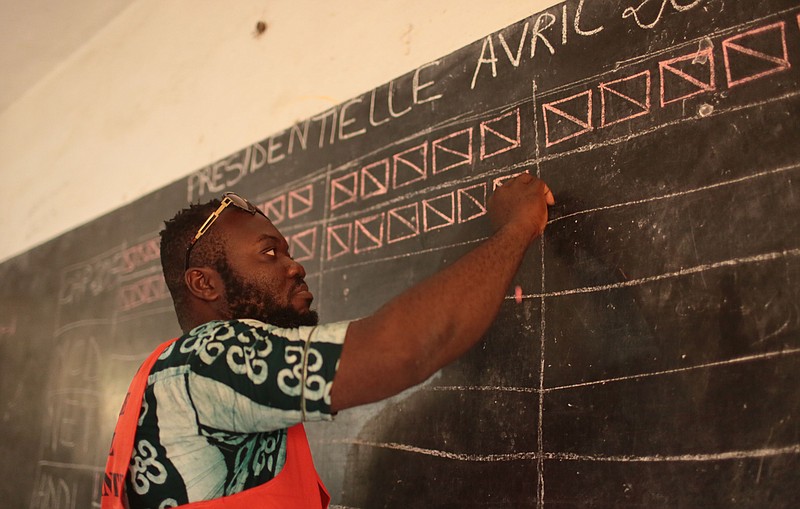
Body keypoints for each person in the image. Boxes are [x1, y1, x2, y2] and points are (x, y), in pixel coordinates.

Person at [102, 172, 554, 509]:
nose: (295, 265)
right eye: (269, 253)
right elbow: (404, 349)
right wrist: (517, 226)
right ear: (204, 284)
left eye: (288, 250)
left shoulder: (177, 376)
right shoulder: (209, 357)